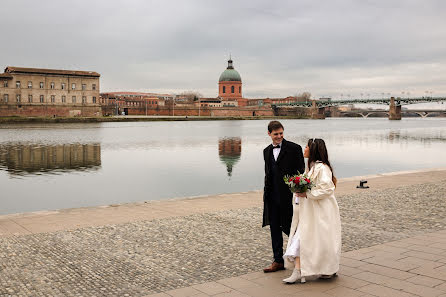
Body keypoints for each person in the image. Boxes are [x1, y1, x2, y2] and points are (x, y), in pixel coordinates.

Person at [282, 138, 342, 283]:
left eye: (307, 146)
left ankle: (316, 269)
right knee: (307, 239)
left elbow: (327, 189)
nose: (305, 149)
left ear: (313, 150)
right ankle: (301, 270)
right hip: (311, 212)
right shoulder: (313, 168)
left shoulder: (321, 168)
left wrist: (307, 194)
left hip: (321, 212)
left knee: (316, 240)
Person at [262, 121, 305, 273]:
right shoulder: (266, 151)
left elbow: (301, 172)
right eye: (276, 134)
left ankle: (303, 259)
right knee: (274, 228)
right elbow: (268, 174)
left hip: (289, 197)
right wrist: (266, 196)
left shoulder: (294, 148)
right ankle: (278, 260)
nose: (279, 136)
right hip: (272, 197)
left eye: (281, 133)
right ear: (269, 134)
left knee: (291, 228)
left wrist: (297, 192)